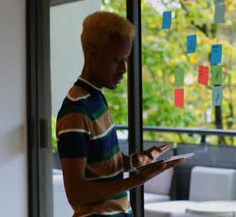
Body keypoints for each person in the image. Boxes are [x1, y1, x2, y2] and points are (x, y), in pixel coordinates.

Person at [56, 11, 183, 217]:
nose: (124, 69)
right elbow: (76, 193)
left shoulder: (95, 98)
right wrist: (137, 180)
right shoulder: (75, 112)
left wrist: (135, 162)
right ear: (91, 53)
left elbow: (99, 167)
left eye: (126, 60)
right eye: (117, 60)